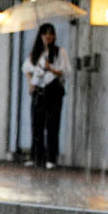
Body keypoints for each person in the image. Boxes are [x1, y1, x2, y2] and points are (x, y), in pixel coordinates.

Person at [22, 23, 71, 169]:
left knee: (52, 124)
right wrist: (31, 83)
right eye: (45, 34)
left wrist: (52, 69)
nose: (48, 37)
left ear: (54, 36)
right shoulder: (36, 53)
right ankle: (36, 155)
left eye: (50, 33)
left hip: (53, 91)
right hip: (39, 91)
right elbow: (26, 69)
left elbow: (66, 71)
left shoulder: (59, 52)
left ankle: (51, 157)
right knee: (37, 125)